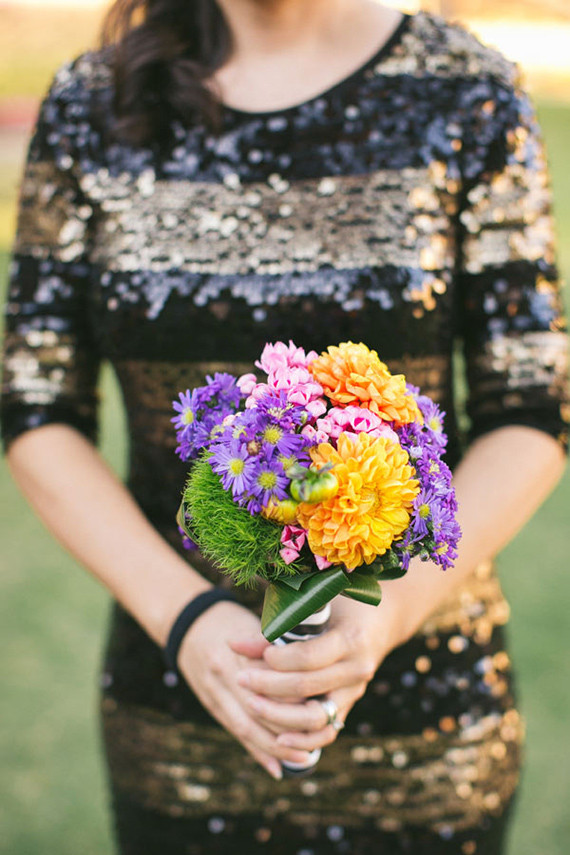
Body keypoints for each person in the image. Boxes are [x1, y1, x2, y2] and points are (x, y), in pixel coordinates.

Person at [1, 0, 568, 852]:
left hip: (422, 705)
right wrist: (189, 621)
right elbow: (37, 406)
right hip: (181, 689)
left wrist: (379, 620)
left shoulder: (467, 93)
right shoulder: (96, 104)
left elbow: (530, 406)